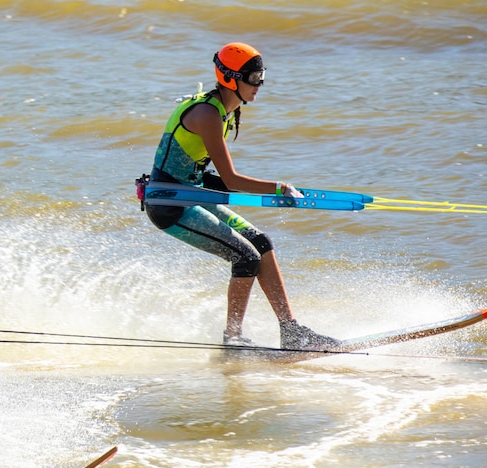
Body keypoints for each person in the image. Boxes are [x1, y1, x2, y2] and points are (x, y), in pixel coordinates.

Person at [141, 42, 339, 349]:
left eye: (262, 76)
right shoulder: (207, 113)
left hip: (192, 193)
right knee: (245, 256)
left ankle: (291, 331)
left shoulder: (225, 110)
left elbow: (214, 177)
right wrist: (279, 188)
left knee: (261, 244)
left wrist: (269, 190)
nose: (260, 85)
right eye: (254, 78)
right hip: (169, 203)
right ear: (231, 78)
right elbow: (231, 179)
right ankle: (232, 341)